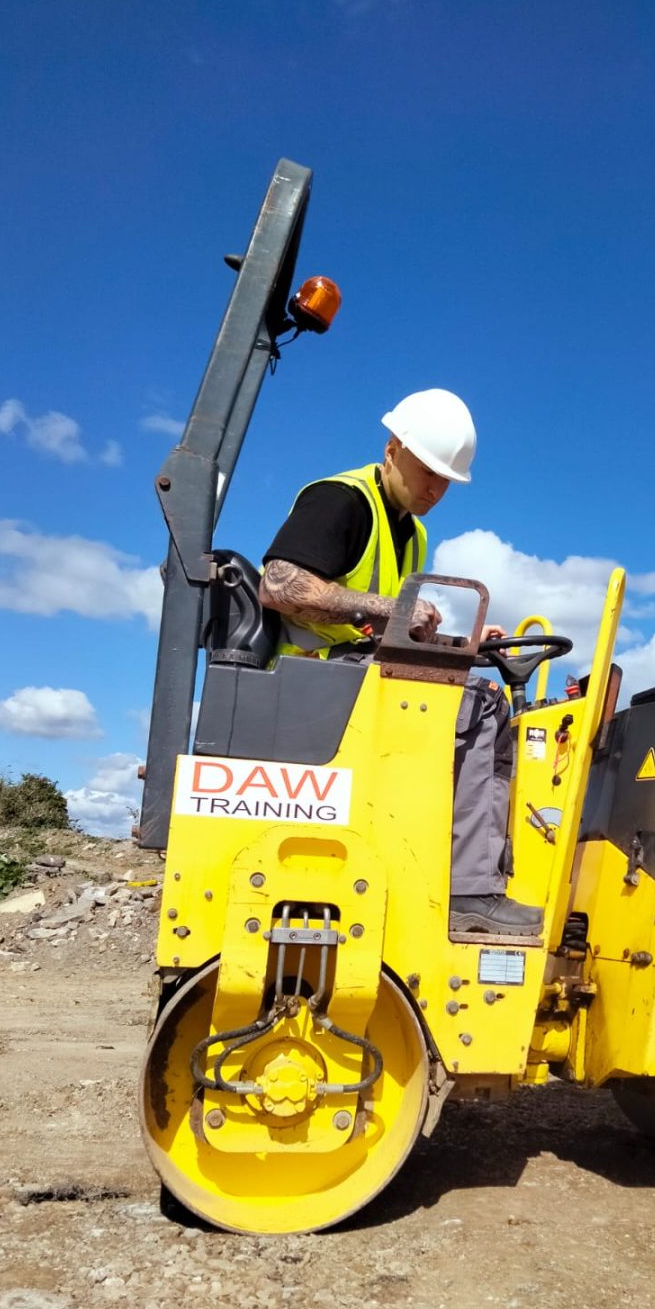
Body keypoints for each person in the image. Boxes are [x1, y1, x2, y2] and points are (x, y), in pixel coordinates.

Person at [259, 388, 543, 939]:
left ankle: (437, 862)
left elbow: (385, 626)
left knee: (473, 686)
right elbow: (278, 584)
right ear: (393, 449)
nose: (436, 489)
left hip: (356, 670)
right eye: (428, 472)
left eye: (445, 481)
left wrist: (463, 644)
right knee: (482, 706)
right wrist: (393, 608)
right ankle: (470, 888)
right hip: (310, 677)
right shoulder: (341, 499)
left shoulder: (411, 531)